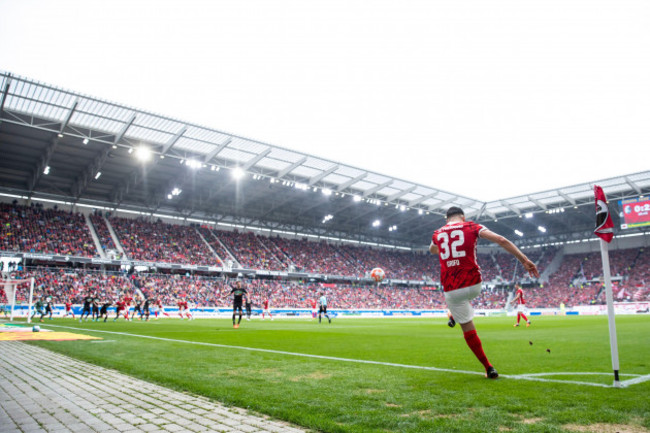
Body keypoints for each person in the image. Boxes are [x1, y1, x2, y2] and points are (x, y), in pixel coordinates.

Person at [429, 206, 539, 379]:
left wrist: (441, 248)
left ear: (446, 219)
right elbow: (501, 240)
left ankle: (489, 368)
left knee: (467, 326)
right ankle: (454, 316)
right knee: (464, 304)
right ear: (462, 217)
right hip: (474, 284)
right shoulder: (472, 226)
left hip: (452, 289)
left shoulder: (437, 233)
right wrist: (524, 260)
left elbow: (432, 249)